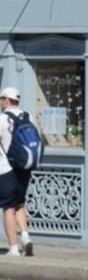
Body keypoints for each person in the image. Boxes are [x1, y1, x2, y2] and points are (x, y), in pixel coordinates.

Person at [0, 87, 34, 257]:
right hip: (24, 168)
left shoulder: (3, 119)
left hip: (6, 170)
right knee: (19, 204)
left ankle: (13, 248)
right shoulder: (26, 116)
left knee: (8, 208)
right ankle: (26, 238)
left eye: (1, 99)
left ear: (6, 100)